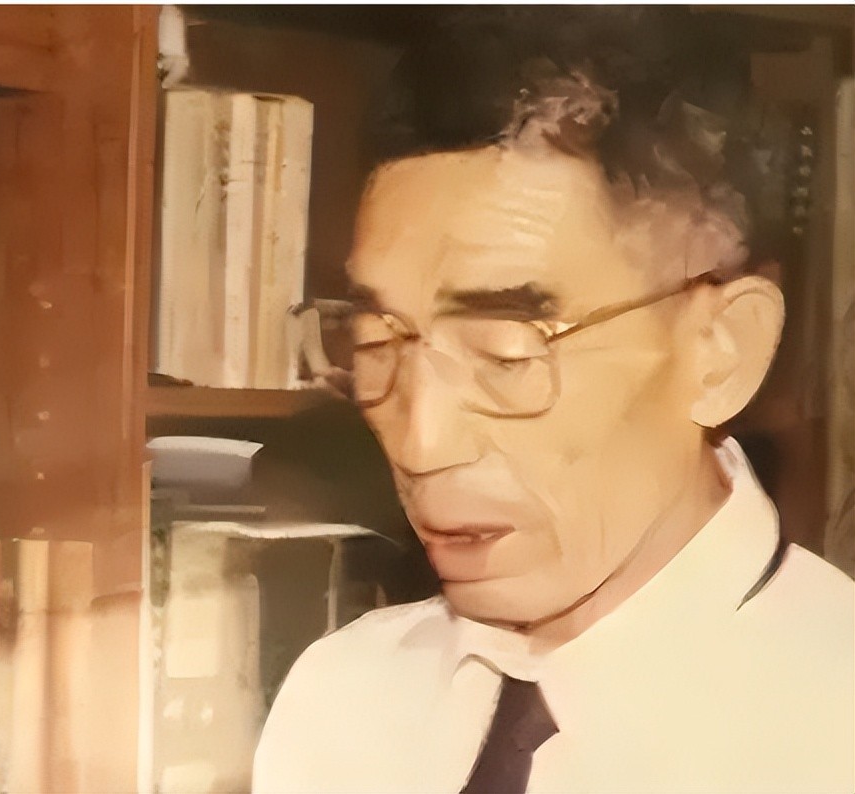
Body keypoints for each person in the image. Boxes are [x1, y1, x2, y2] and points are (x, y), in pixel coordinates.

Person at [253, 67, 855, 793]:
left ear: (721, 351)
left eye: (505, 351)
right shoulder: (342, 698)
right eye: (376, 340)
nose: (420, 443)